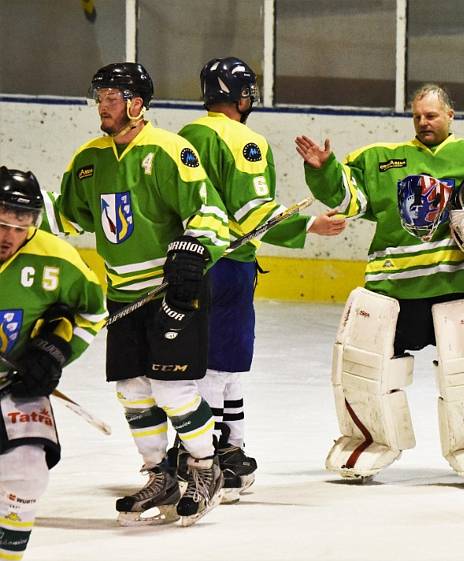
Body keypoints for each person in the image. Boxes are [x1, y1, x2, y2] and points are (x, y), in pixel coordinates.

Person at [295, 84, 464, 484]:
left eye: (432, 115)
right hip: (392, 290)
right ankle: (367, 440)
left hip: (457, 283)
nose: (424, 121)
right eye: (418, 115)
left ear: (450, 115)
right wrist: (323, 170)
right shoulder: (381, 160)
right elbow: (349, 198)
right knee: (367, 370)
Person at [44, 63, 230, 526]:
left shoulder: (170, 150)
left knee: (174, 388)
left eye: (111, 96)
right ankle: (158, 474)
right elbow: (67, 219)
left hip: (172, 292)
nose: (101, 105)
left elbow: (210, 213)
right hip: (122, 294)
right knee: (133, 390)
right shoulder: (89, 158)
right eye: (100, 96)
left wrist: (195, 248)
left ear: (136, 103)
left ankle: (207, 469)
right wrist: (15, 210)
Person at [177, 56, 346, 502]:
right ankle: (208, 458)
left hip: (186, 264)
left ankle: (225, 447)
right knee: (220, 365)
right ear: (240, 95)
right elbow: (252, 214)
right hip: (228, 264)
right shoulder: (244, 141)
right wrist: (309, 225)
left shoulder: (184, 137)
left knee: (210, 363)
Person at [0, 167, 106, 560]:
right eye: (1, 222)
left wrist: (54, 353)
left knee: (27, 475)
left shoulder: (56, 259)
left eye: (20, 223)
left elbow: (91, 313)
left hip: (17, 382)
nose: (8, 234)